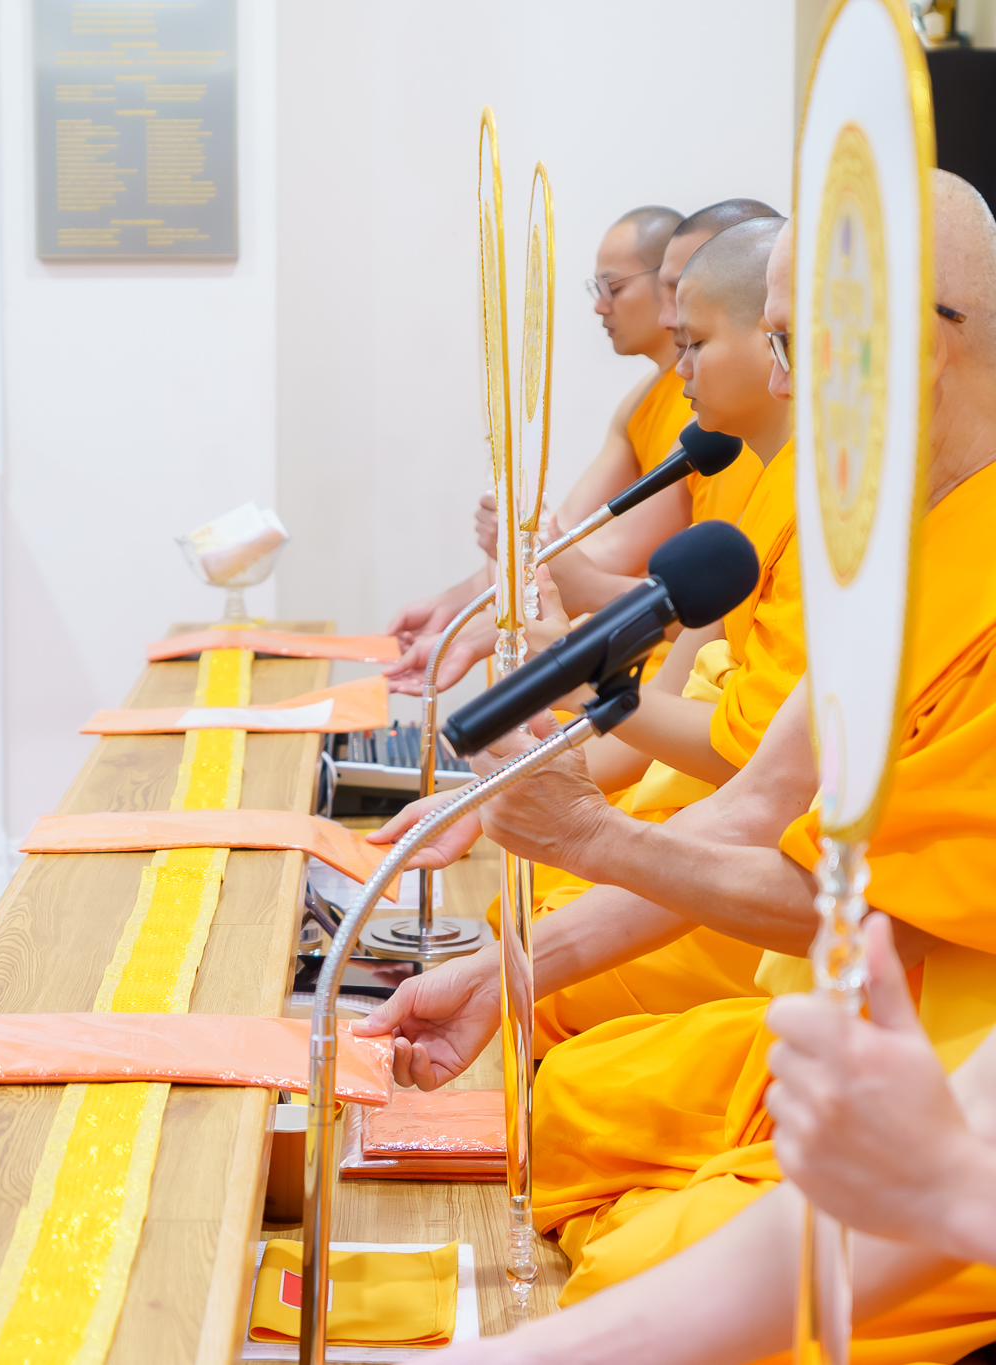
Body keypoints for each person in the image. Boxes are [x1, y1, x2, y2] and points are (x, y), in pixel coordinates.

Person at [374, 171, 996, 1361]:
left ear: (920, 345)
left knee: (633, 1257)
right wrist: (516, 969)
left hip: (945, 1082)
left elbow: (854, 900)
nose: (771, 382)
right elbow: (760, 802)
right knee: (553, 1113)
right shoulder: (890, 561)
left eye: (789, 341)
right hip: (825, 1040)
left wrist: (594, 837)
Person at [423, 916, 996, 1365]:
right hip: (887, 1064)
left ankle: (662, 1204)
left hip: (910, 1064)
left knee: (623, 1274)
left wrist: (589, 832)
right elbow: (932, 1176)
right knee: (568, 1091)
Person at [384, 200, 780, 695]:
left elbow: (601, 558)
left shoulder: (729, 435)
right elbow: (568, 538)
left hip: (659, 672)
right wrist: (462, 612)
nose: (668, 315)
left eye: (614, 287)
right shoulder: (657, 406)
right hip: (663, 674)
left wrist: (486, 623)